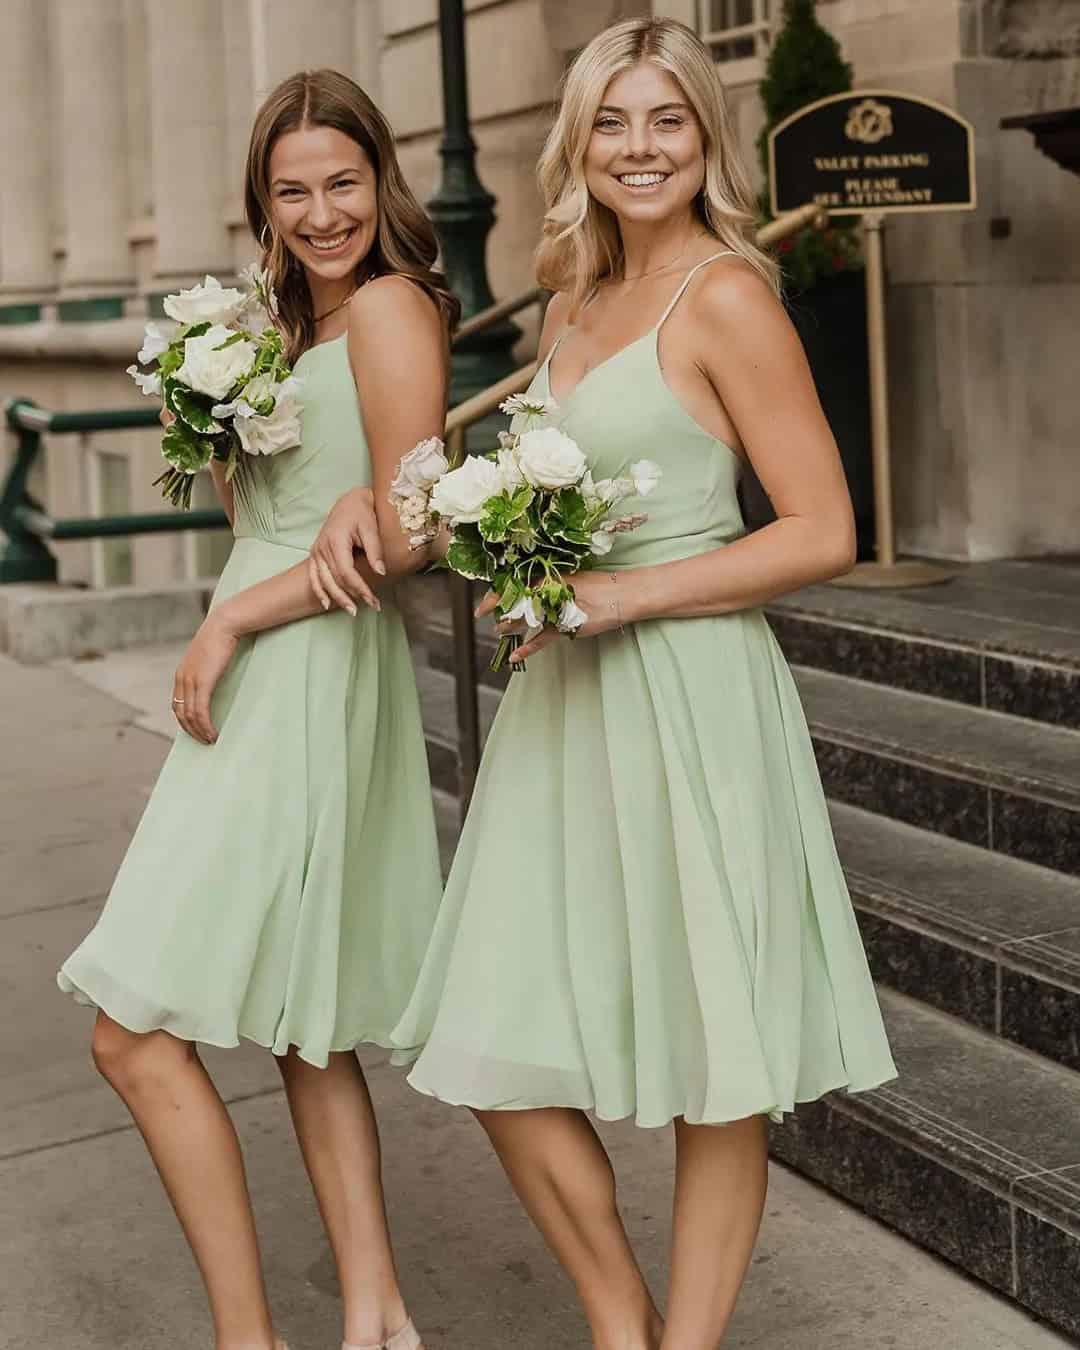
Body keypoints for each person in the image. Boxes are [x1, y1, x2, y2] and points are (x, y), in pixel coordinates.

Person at [387, 19, 896, 1349]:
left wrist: (619, 592)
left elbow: (824, 527)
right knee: (495, 1029)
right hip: (565, 706)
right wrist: (490, 537)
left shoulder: (728, 294)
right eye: (613, 122)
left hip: (690, 692)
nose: (640, 147)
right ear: (580, 145)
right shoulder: (570, 300)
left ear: (706, 139)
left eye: (667, 120)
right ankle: (621, 1314)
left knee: (715, 1058)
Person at [58, 69, 456, 1350]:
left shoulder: (394, 310)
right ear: (263, 203)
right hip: (261, 658)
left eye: (343, 182)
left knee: (134, 1038)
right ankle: (377, 1318)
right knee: (309, 1027)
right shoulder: (276, 331)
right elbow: (265, 513)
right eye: (294, 191)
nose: (324, 212)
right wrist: (220, 412)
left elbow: (406, 531)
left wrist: (229, 617)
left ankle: (250, 1340)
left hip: (305, 662)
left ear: (380, 182)